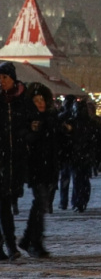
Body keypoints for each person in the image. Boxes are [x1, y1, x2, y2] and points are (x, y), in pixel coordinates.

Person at [19, 82, 59, 258]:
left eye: (42, 100)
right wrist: (33, 132)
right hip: (36, 167)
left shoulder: (50, 118)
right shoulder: (30, 120)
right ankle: (34, 241)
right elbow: (26, 140)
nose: (40, 103)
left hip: (49, 166)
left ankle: (28, 239)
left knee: (40, 203)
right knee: (41, 203)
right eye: (36, 100)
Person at [0, 62, 29, 260]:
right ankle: (9, 246)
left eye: (4, 77)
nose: (1, 81)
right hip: (2, 161)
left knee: (5, 206)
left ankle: (9, 246)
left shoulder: (21, 101)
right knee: (3, 206)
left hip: (13, 161)